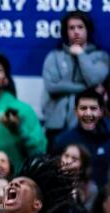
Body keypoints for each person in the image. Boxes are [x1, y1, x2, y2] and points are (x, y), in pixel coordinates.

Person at [41, 12, 108, 142]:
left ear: (88, 30)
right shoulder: (54, 56)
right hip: (56, 126)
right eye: (71, 28)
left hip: (89, 125)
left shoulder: (101, 57)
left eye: (80, 27)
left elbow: (95, 79)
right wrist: (88, 89)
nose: (76, 32)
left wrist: (81, 55)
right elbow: (52, 86)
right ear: (66, 32)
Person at [53, 89, 110, 188]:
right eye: (83, 108)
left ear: (101, 111)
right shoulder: (63, 140)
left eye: (93, 108)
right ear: (76, 111)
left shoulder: (108, 138)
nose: (88, 113)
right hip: (74, 198)